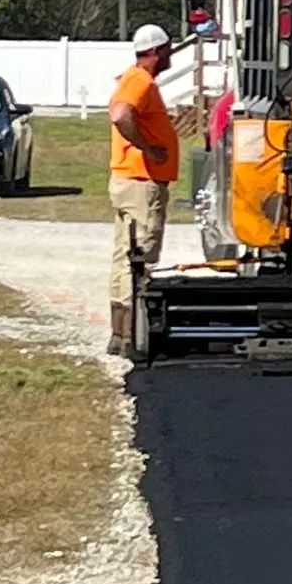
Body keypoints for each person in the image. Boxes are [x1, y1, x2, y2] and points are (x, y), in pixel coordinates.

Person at [106, 22, 178, 355]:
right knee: (140, 257)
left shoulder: (135, 80)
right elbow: (121, 115)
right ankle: (133, 333)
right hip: (140, 183)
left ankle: (120, 334)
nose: (170, 55)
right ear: (154, 51)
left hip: (128, 181)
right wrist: (148, 147)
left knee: (124, 256)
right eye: (166, 49)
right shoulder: (139, 81)